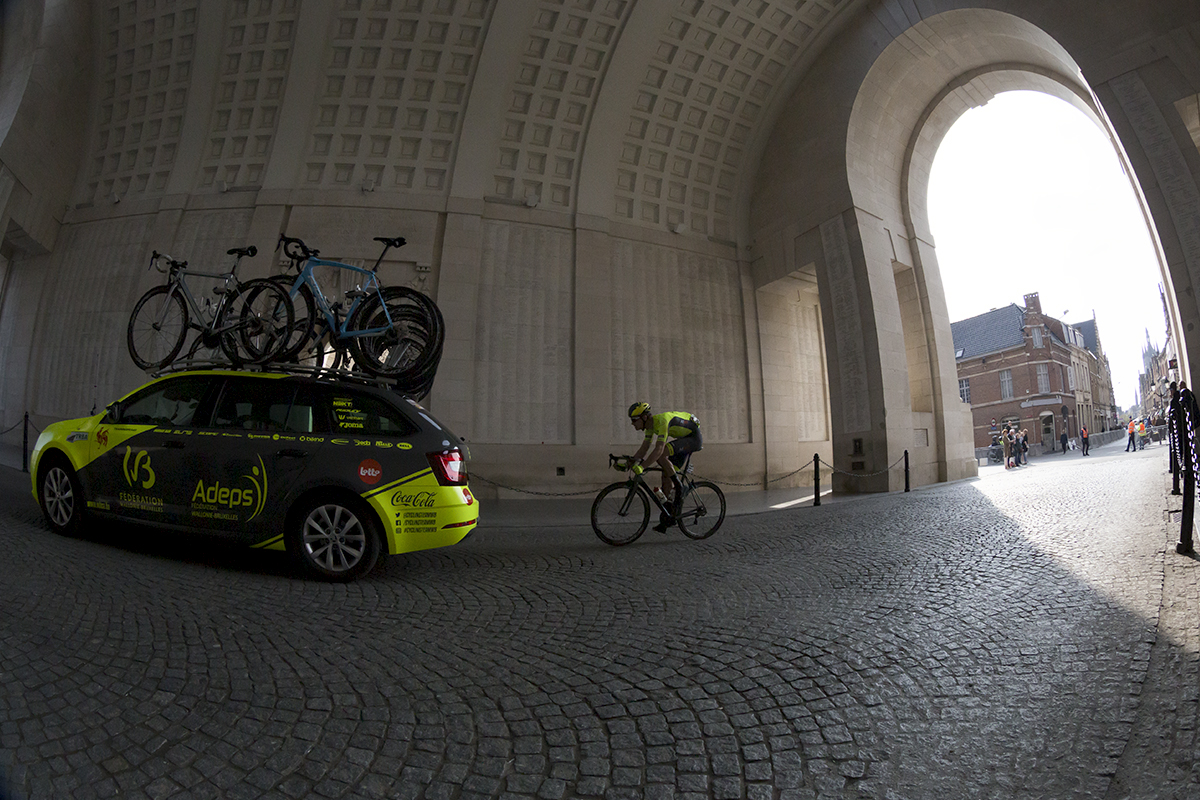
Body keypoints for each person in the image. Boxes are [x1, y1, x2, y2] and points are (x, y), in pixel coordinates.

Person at [627, 402, 703, 531]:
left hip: (693, 438)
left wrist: (642, 467)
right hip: (683, 440)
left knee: (661, 455)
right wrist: (631, 461)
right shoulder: (650, 427)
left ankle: (679, 487)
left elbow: (658, 450)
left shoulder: (662, 421)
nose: (632, 423)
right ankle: (669, 515)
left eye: (634, 420)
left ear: (644, 417)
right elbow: (644, 448)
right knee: (665, 475)